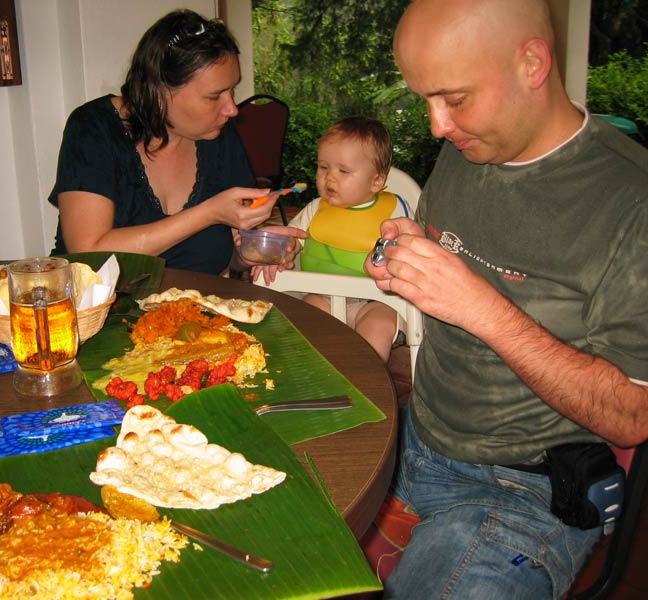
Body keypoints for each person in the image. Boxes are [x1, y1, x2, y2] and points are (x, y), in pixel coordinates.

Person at [364, 1, 648, 598]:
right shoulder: (470, 146)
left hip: (525, 486)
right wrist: (412, 252)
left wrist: (479, 306)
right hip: (415, 435)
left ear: (532, 63)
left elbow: (631, 416)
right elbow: (463, 255)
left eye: (454, 99)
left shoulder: (632, 203)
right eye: (425, 100)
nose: (436, 125)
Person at [47, 9, 292, 275]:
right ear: (160, 92)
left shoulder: (220, 136)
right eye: (215, 96)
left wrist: (257, 252)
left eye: (233, 90)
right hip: (96, 314)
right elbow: (90, 254)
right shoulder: (94, 128)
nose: (232, 109)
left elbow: (228, 259)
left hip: (192, 312)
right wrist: (207, 213)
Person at [252, 116, 411, 361]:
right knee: (305, 320)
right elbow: (293, 241)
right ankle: (315, 373)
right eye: (324, 167)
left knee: (379, 326)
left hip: (375, 300)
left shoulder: (396, 213)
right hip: (322, 297)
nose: (330, 177)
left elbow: (412, 252)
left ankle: (367, 379)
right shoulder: (315, 210)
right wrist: (280, 252)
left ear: (377, 180)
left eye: (344, 171)